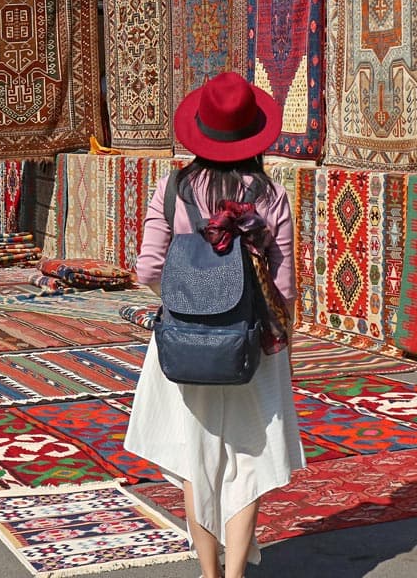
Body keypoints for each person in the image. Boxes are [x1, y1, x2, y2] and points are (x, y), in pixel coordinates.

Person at [124, 71, 306, 578]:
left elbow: (147, 270)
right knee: (248, 457)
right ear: (253, 135)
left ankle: (207, 574)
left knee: (194, 456)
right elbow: (285, 285)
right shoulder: (269, 195)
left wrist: (194, 291)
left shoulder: (172, 188)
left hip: (183, 344)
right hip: (254, 344)